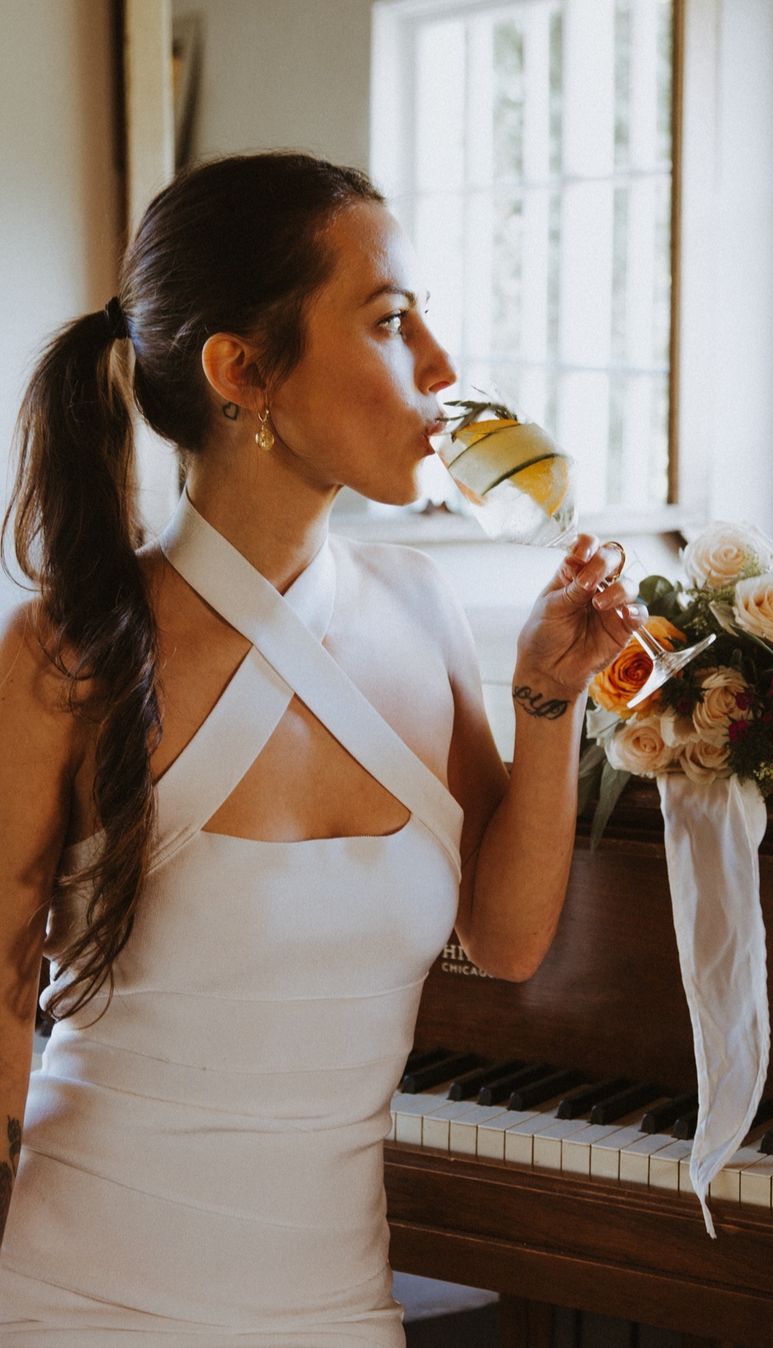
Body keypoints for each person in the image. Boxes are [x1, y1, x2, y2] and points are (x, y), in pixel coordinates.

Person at [0, 152, 644, 1344]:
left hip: (333, 1308)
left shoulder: (422, 606)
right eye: (393, 322)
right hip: (72, 1301)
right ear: (242, 371)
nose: (443, 369)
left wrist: (548, 704)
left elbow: (504, 941)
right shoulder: (64, 654)